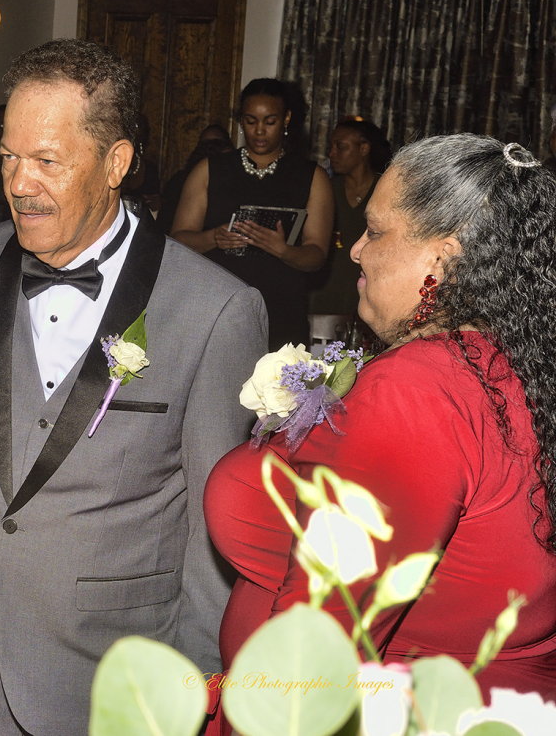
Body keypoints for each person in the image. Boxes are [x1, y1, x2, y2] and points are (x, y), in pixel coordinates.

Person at [0, 39, 267, 736]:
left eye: (47, 161)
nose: (19, 183)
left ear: (115, 163)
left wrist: (193, 685)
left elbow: (217, 529)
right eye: (8, 157)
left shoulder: (215, 310)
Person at [206, 135, 556, 711]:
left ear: (442, 257)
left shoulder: (416, 389)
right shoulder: (511, 363)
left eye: (376, 231)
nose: (356, 251)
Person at [171, 78, 333, 350]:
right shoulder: (210, 170)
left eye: (269, 122)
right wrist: (214, 237)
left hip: (281, 310)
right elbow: (176, 241)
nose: (259, 131)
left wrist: (283, 250)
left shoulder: (311, 176)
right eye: (250, 121)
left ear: (286, 119)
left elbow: (316, 255)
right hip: (218, 308)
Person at [309, 120, 391, 323]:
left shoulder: (386, 190)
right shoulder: (326, 189)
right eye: (331, 147)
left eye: (341, 147)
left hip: (369, 293)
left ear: (363, 149)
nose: (332, 153)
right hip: (326, 293)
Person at [157, 124, 234, 235]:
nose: (211, 150)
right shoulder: (180, 180)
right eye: (205, 146)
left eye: (218, 145)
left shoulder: (233, 178)